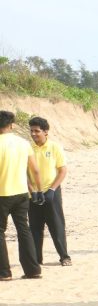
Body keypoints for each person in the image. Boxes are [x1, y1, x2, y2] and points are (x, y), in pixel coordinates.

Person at [0, 110, 43, 280]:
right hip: (21, 193)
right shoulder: (23, 143)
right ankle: (33, 270)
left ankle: (4, 273)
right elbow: (35, 170)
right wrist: (38, 190)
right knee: (23, 229)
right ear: (12, 125)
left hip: (1, 195)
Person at [27, 116, 72, 267]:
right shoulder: (28, 148)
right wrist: (32, 191)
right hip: (33, 194)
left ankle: (64, 257)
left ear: (46, 132)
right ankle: (37, 259)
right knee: (35, 228)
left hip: (51, 192)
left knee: (56, 225)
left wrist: (52, 190)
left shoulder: (54, 147)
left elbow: (62, 171)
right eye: (31, 131)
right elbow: (23, 172)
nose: (33, 134)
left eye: (37, 131)